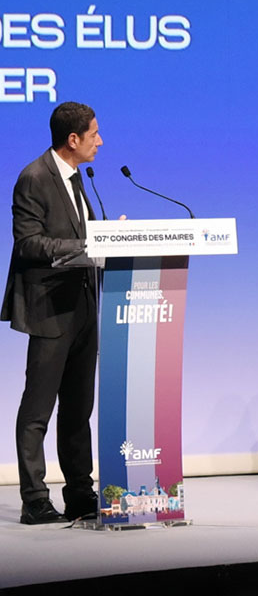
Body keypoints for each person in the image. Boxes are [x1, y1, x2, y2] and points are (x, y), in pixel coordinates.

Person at [2, 101, 102, 524]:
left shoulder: (80, 178)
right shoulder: (34, 177)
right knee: (38, 408)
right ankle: (34, 499)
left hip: (84, 307)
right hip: (49, 310)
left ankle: (80, 492)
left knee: (79, 410)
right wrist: (83, 249)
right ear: (73, 139)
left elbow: (83, 235)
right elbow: (27, 242)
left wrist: (107, 237)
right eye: (94, 134)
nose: (101, 141)